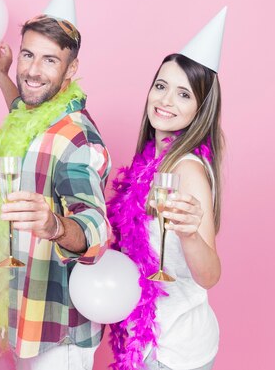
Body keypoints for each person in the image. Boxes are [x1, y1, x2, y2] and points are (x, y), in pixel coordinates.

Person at [0, 14, 111, 370]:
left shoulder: (77, 139)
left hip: (59, 337)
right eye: (28, 55)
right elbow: (21, 108)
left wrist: (55, 225)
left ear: (71, 69)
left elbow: (96, 227)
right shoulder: (33, 114)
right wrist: (1, 74)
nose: (33, 70)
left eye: (50, 60)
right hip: (26, 319)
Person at [108, 53, 224, 370]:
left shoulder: (188, 170)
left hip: (174, 351)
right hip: (145, 342)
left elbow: (210, 275)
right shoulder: (149, 162)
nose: (166, 100)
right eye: (161, 86)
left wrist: (189, 233)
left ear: (200, 109)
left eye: (183, 94)